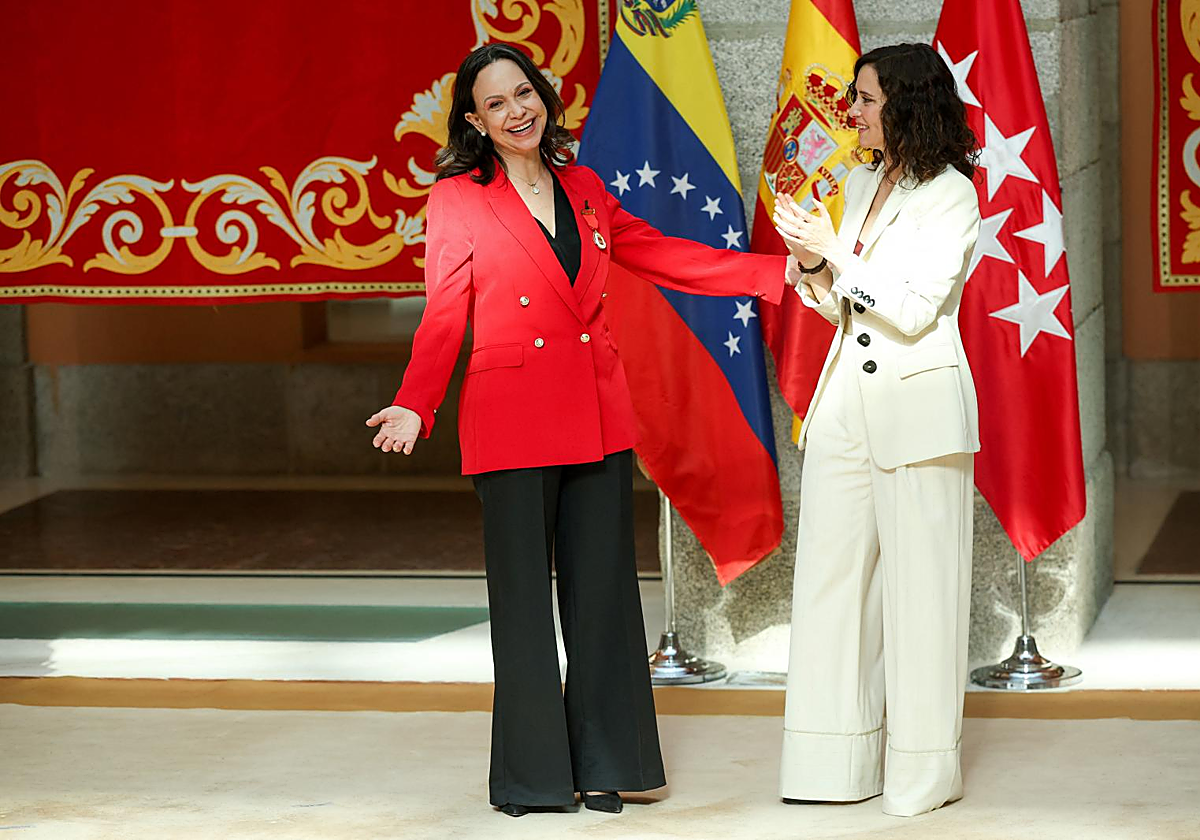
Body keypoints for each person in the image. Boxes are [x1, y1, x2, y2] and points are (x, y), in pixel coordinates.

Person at [365, 43, 788, 818]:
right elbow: (444, 312)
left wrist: (776, 274)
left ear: (543, 98)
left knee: (602, 603)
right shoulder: (458, 196)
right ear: (475, 121)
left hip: (596, 417)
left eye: (523, 93)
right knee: (523, 608)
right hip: (512, 419)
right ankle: (532, 778)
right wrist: (415, 403)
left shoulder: (585, 186)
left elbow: (661, 255)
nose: (515, 111)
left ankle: (605, 765)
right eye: (495, 104)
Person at [770, 42, 982, 817]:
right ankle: (830, 768)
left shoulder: (953, 194)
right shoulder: (861, 181)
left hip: (919, 413)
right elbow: (846, 308)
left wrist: (836, 256)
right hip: (843, 413)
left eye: (864, 99)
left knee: (922, 594)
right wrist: (816, 267)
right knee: (831, 587)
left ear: (907, 103)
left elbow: (919, 306)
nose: (851, 112)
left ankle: (922, 777)